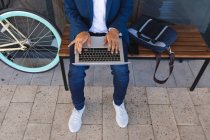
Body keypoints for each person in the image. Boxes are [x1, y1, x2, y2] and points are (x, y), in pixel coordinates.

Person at [64, 0, 133, 132]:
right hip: (84, 33)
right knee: (75, 73)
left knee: (121, 71)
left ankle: (118, 103)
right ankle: (79, 107)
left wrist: (115, 28)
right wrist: (81, 30)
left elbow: (127, 6)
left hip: (112, 33)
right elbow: (69, 9)